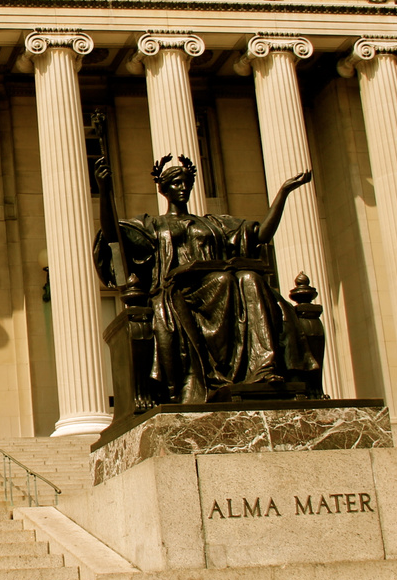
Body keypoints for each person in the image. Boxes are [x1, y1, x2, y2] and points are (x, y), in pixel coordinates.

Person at [93, 153, 316, 404]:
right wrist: (104, 191)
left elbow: (261, 234)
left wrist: (283, 192)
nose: (182, 188)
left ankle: (264, 368)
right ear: (163, 190)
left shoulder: (214, 223)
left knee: (250, 279)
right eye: (176, 183)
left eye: (186, 183)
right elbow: (114, 237)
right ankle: (220, 374)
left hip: (222, 288)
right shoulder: (153, 225)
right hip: (180, 292)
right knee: (225, 280)